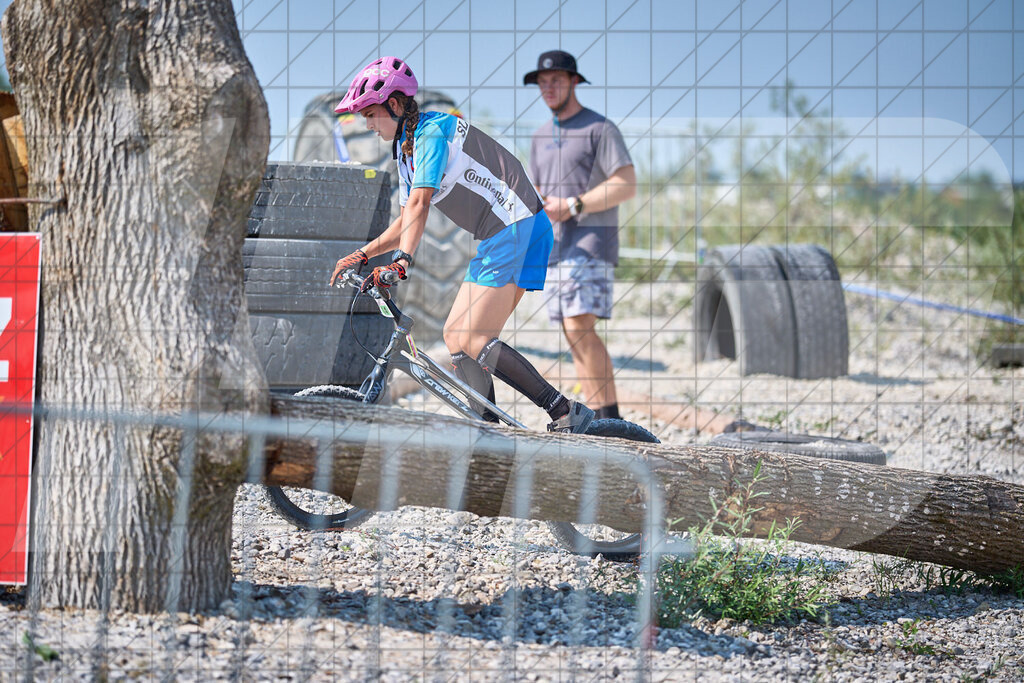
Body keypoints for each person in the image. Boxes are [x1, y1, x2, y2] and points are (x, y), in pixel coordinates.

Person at [329, 56, 594, 434]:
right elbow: (405, 220)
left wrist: (402, 261)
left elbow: (420, 204)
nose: (367, 124)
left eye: (370, 114)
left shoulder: (431, 134)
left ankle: (564, 411)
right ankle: (489, 432)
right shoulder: (405, 151)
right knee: (456, 337)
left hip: (518, 226)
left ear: (394, 105)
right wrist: (363, 254)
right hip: (499, 234)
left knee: (474, 337)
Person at [525, 50, 636, 421]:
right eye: (542, 83)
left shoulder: (600, 129)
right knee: (571, 333)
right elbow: (539, 194)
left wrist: (574, 205)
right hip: (555, 249)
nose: (548, 88)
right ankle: (597, 419)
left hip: (591, 243)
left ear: (574, 81)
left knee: (579, 325)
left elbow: (626, 184)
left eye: (556, 80)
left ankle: (611, 419)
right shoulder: (540, 137)